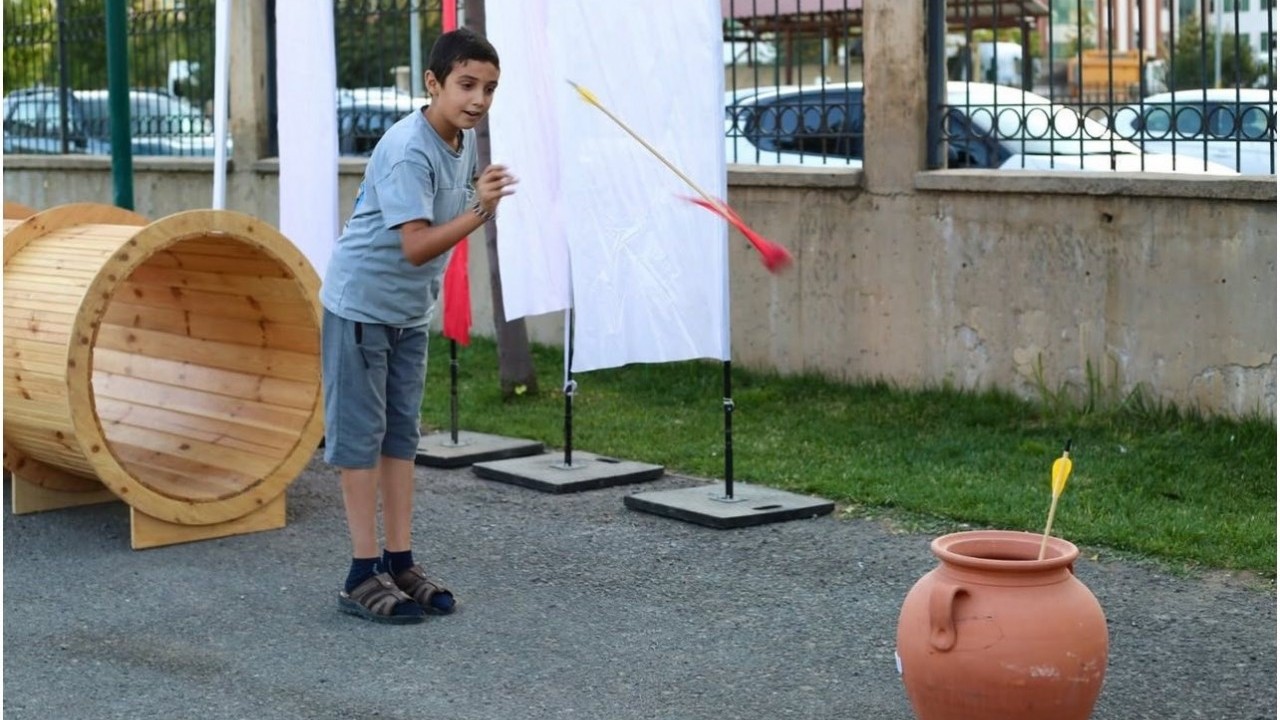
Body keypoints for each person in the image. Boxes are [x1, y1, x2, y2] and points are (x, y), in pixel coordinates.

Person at [320, 27, 516, 624]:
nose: (478, 99)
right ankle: (360, 573)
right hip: (361, 307)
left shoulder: (459, 144)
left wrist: (476, 200)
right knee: (360, 441)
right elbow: (416, 247)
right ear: (433, 83)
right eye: (466, 85)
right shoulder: (410, 147)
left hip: (407, 314)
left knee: (400, 438)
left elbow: (437, 227)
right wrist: (481, 210)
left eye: (489, 88)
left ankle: (398, 561)